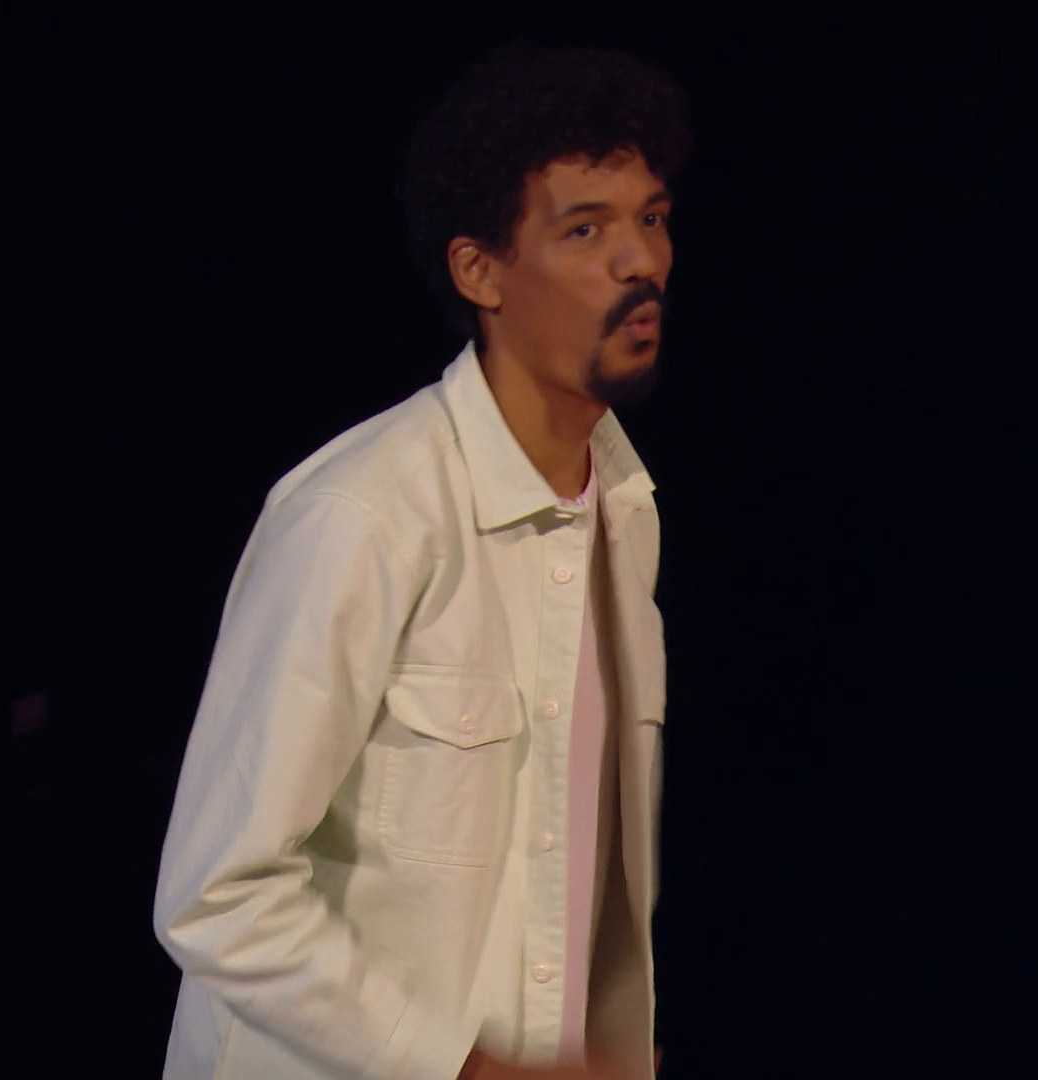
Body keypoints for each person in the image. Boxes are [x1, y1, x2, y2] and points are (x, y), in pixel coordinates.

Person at [150, 43, 689, 1080]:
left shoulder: (627, 511)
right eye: (585, 229)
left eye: (653, 219)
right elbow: (217, 895)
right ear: (479, 271)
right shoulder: (362, 516)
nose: (641, 262)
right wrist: (465, 1070)